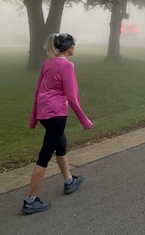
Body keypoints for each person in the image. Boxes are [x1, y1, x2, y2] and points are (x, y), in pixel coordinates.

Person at [21, 32, 93, 215]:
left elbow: (38, 91)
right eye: (74, 44)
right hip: (56, 114)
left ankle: (69, 181)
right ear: (69, 47)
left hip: (45, 113)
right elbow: (72, 96)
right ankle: (30, 201)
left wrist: (33, 118)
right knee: (45, 155)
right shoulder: (67, 65)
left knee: (60, 144)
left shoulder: (48, 62)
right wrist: (84, 120)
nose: (75, 47)